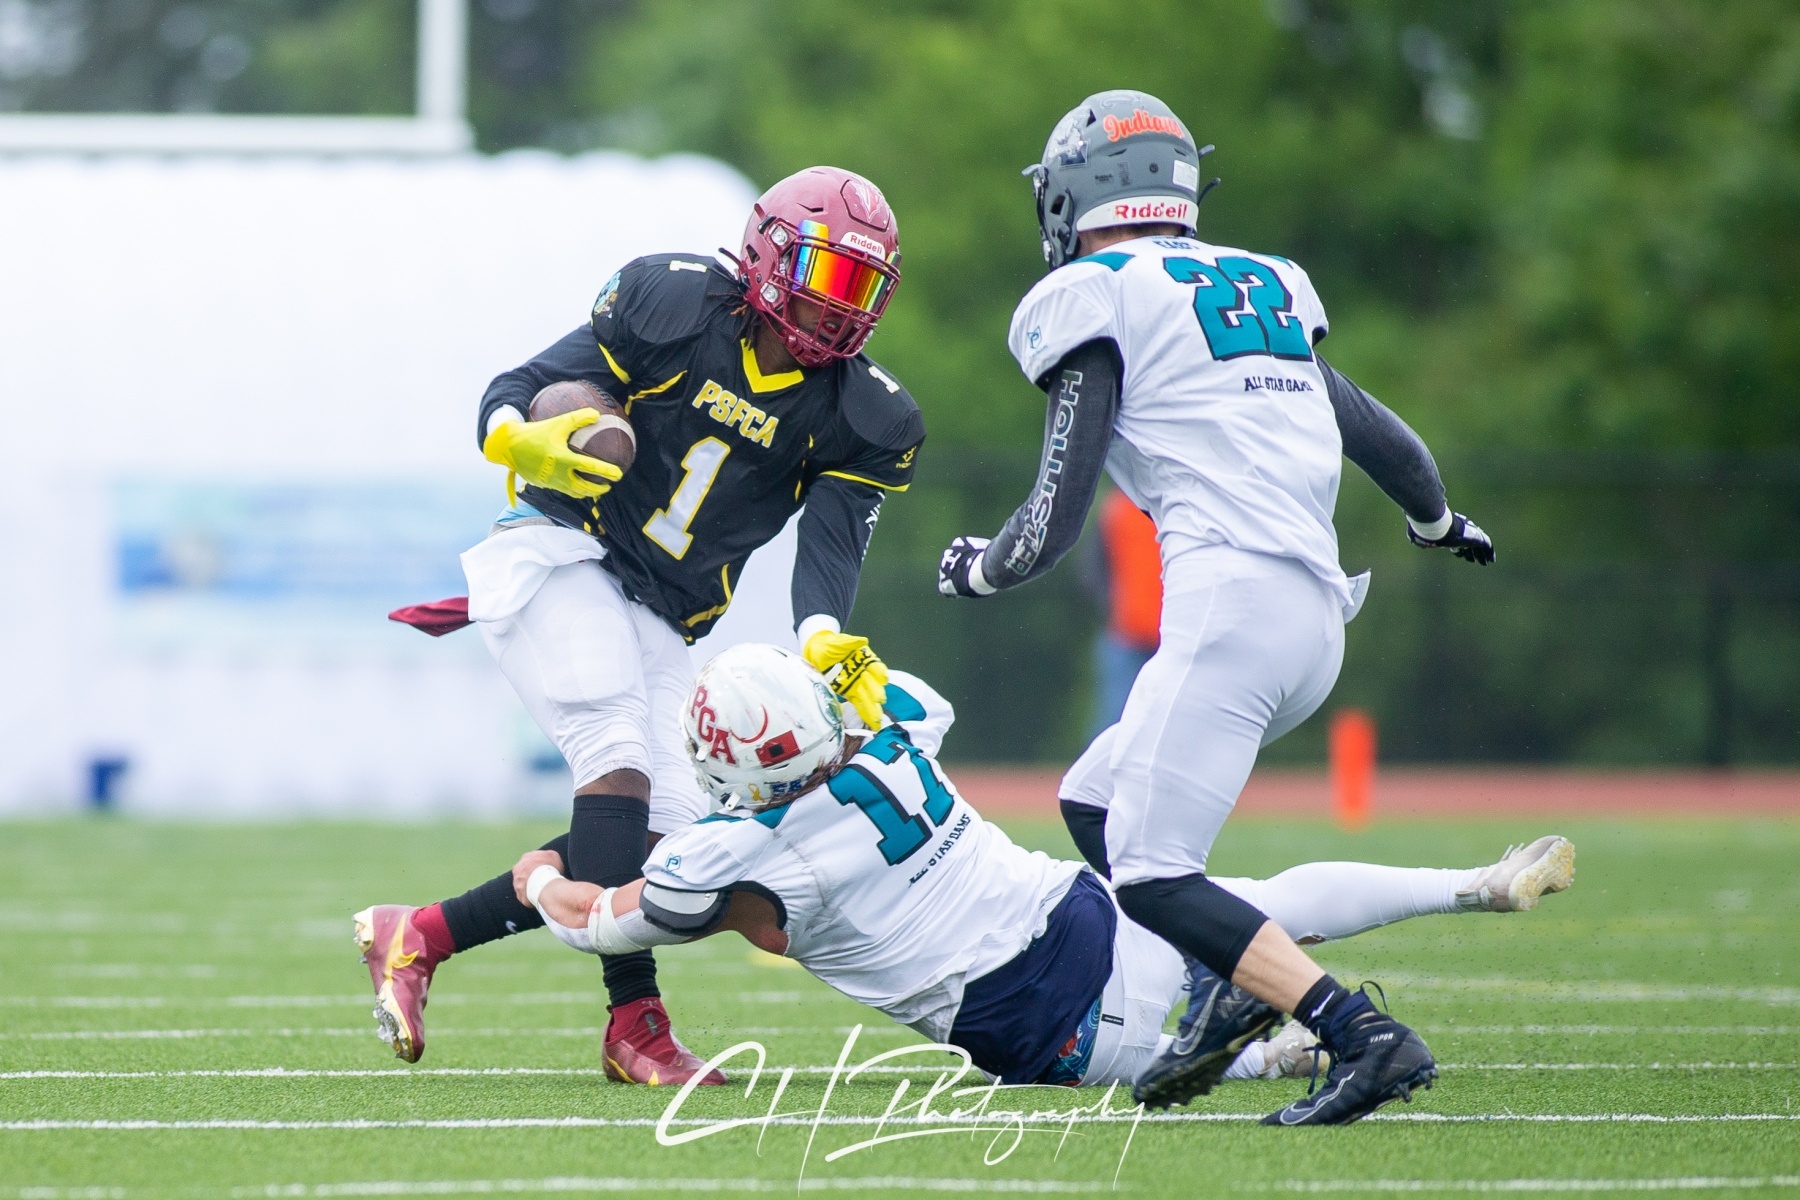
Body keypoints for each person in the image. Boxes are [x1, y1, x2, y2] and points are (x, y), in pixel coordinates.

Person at [934, 90, 1496, 1123]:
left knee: (1151, 872)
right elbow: (1375, 430)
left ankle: (1358, 1033)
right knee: (1094, 802)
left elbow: (1057, 510)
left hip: (1231, 607)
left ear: (1072, 195)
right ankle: (1221, 985)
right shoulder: (1263, 282)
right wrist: (1437, 520)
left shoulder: (1095, 290)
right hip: (1312, 621)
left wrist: (982, 568)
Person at [353, 166, 925, 1086]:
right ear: (769, 257)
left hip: (661, 611)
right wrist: (515, 436)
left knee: (673, 848)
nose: (837, 305)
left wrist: (822, 635)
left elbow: (831, 546)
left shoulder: (865, 414)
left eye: (859, 286)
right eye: (826, 274)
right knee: (614, 756)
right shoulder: (677, 304)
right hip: (561, 555)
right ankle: (636, 1025)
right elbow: (522, 385)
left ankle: (420, 934)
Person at [513, 644, 1573, 1099]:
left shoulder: (740, 848)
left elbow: (600, 922)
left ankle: (1273, 1050)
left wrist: (534, 882)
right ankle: (1467, 884)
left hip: (1032, 1013)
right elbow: (919, 701)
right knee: (1257, 907)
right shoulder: (893, 741)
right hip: (1073, 907)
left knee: (1178, 1069)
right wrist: (857, 673)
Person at [1083, 487, 1162, 737]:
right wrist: (1113, 605)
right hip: (1129, 634)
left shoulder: (1116, 507)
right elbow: (1091, 568)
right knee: (1115, 720)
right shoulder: (1117, 509)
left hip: (1167, 636)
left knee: (1119, 722)